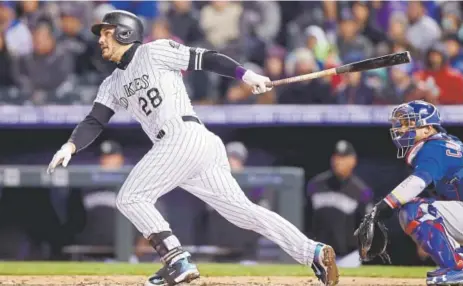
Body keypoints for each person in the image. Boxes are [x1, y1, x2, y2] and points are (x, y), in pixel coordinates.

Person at [46, 10, 339, 286]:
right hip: (186, 146)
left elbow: (206, 58)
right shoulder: (111, 84)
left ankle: (176, 259)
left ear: (124, 33)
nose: (100, 39)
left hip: (183, 135)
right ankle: (311, 251)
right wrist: (70, 146)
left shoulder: (154, 50)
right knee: (243, 213)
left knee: (130, 197)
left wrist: (246, 75)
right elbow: (95, 120)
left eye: (106, 33)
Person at [358, 100, 463, 285]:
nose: (400, 129)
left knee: (414, 210)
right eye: (401, 123)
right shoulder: (447, 144)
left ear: (428, 128)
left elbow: (417, 182)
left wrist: (383, 207)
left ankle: (458, 268)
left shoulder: (433, 147)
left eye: (408, 123)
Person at [307, 140, 373, 268]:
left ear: (353, 161)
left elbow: (367, 226)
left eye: (343, 158)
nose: (338, 162)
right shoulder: (316, 184)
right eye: (336, 157)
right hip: (318, 254)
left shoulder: (361, 190)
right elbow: (306, 217)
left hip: (348, 257)